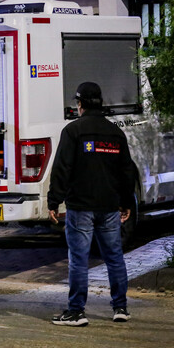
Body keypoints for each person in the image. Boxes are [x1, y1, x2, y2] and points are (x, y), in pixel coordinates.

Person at [48, 82, 133, 327]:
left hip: (80, 207)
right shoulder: (115, 133)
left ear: (80, 104)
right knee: (114, 257)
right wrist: (126, 201)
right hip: (109, 207)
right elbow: (126, 171)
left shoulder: (73, 131)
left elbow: (62, 168)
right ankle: (120, 307)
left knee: (78, 259)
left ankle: (76, 311)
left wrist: (54, 200)